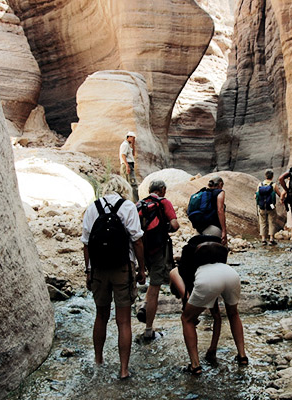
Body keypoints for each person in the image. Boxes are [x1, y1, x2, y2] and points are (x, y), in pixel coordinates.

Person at [81, 177, 146, 379]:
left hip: (99, 269)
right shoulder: (127, 206)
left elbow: (86, 244)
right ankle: (124, 370)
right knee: (124, 321)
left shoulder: (93, 207)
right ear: (123, 190)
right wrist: (141, 269)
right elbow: (137, 241)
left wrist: (88, 271)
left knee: (101, 316)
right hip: (122, 268)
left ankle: (98, 361)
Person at [176, 241, 248, 375]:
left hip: (208, 281)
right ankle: (242, 356)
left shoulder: (190, 268)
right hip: (231, 275)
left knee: (187, 319)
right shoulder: (222, 263)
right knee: (233, 314)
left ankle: (195, 365)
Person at [136, 180, 180, 341]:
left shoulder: (139, 204)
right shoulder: (163, 202)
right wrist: (163, 228)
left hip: (141, 250)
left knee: (152, 280)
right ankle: (149, 330)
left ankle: (144, 305)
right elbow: (175, 225)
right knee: (155, 286)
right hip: (158, 250)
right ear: (162, 190)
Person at [255, 169, 282, 245]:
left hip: (262, 206)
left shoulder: (260, 184)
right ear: (272, 176)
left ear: (265, 176)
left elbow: (256, 195)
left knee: (262, 222)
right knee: (272, 221)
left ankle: (263, 239)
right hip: (271, 206)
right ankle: (271, 239)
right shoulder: (273, 185)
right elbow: (279, 194)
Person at [198, 176, 227, 246]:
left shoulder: (203, 192)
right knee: (219, 254)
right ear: (220, 184)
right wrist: (224, 230)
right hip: (214, 229)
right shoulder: (220, 192)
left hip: (199, 229)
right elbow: (220, 210)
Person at [119, 131, 139, 202]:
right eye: (133, 138)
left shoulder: (128, 145)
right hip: (127, 164)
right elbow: (123, 155)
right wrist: (127, 166)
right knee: (132, 183)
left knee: (130, 183)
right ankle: (134, 201)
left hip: (128, 164)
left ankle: (131, 200)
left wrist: (133, 145)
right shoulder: (125, 145)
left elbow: (133, 154)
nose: (134, 140)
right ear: (129, 137)